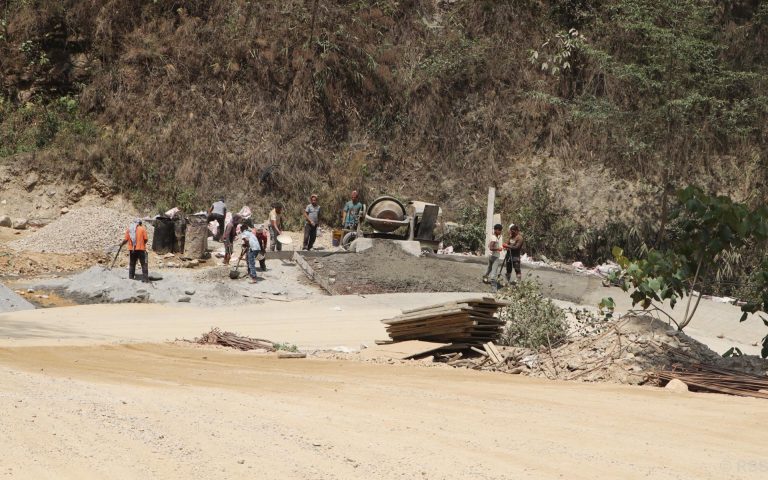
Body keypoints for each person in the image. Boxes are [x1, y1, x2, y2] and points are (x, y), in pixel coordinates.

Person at [121, 218, 149, 282]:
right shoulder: (142, 229)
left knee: (132, 264)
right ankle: (145, 279)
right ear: (140, 223)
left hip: (132, 250)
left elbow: (125, 240)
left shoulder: (129, 229)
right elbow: (146, 239)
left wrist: (121, 244)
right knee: (144, 264)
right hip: (141, 249)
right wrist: (142, 244)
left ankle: (131, 277)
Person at [482, 224, 504, 288]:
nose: (500, 231)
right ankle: (493, 284)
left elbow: (489, 246)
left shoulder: (493, 237)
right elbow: (491, 247)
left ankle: (485, 277)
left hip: (491, 255)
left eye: (501, 230)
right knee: (494, 270)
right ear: (496, 230)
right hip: (495, 256)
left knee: (489, 268)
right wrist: (498, 249)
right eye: (499, 230)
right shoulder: (494, 238)